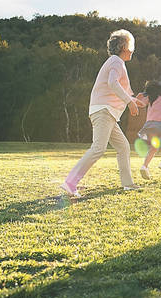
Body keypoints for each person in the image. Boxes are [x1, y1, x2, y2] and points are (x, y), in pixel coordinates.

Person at [61, 29, 142, 198]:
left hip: (108, 113)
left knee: (123, 146)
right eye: (130, 45)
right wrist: (129, 102)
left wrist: (134, 101)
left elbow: (122, 88)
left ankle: (128, 184)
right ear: (124, 46)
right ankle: (70, 182)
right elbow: (112, 83)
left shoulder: (116, 62)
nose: (132, 50)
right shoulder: (116, 61)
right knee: (98, 148)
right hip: (104, 111)